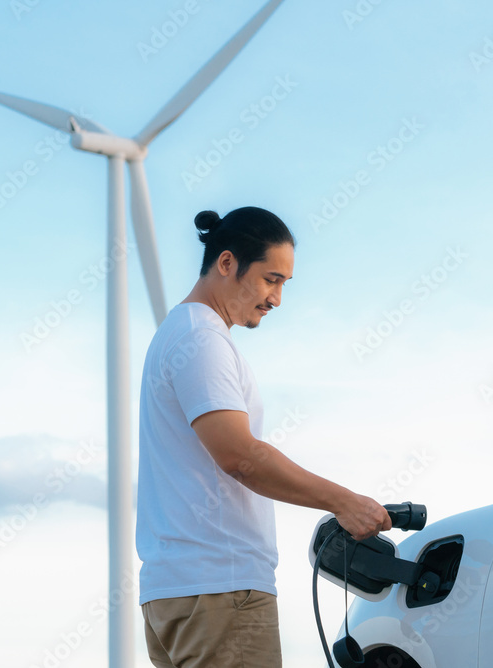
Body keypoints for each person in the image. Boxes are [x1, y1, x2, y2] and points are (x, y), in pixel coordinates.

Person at [136, 206, 391, 668]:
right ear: (227, 263)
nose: (276, 299)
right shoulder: (202, 339)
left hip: (177, 593)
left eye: (284, 285)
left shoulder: (178, 333)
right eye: (271, 279)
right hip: (220, 591)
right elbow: (240, 456)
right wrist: (343, 501)